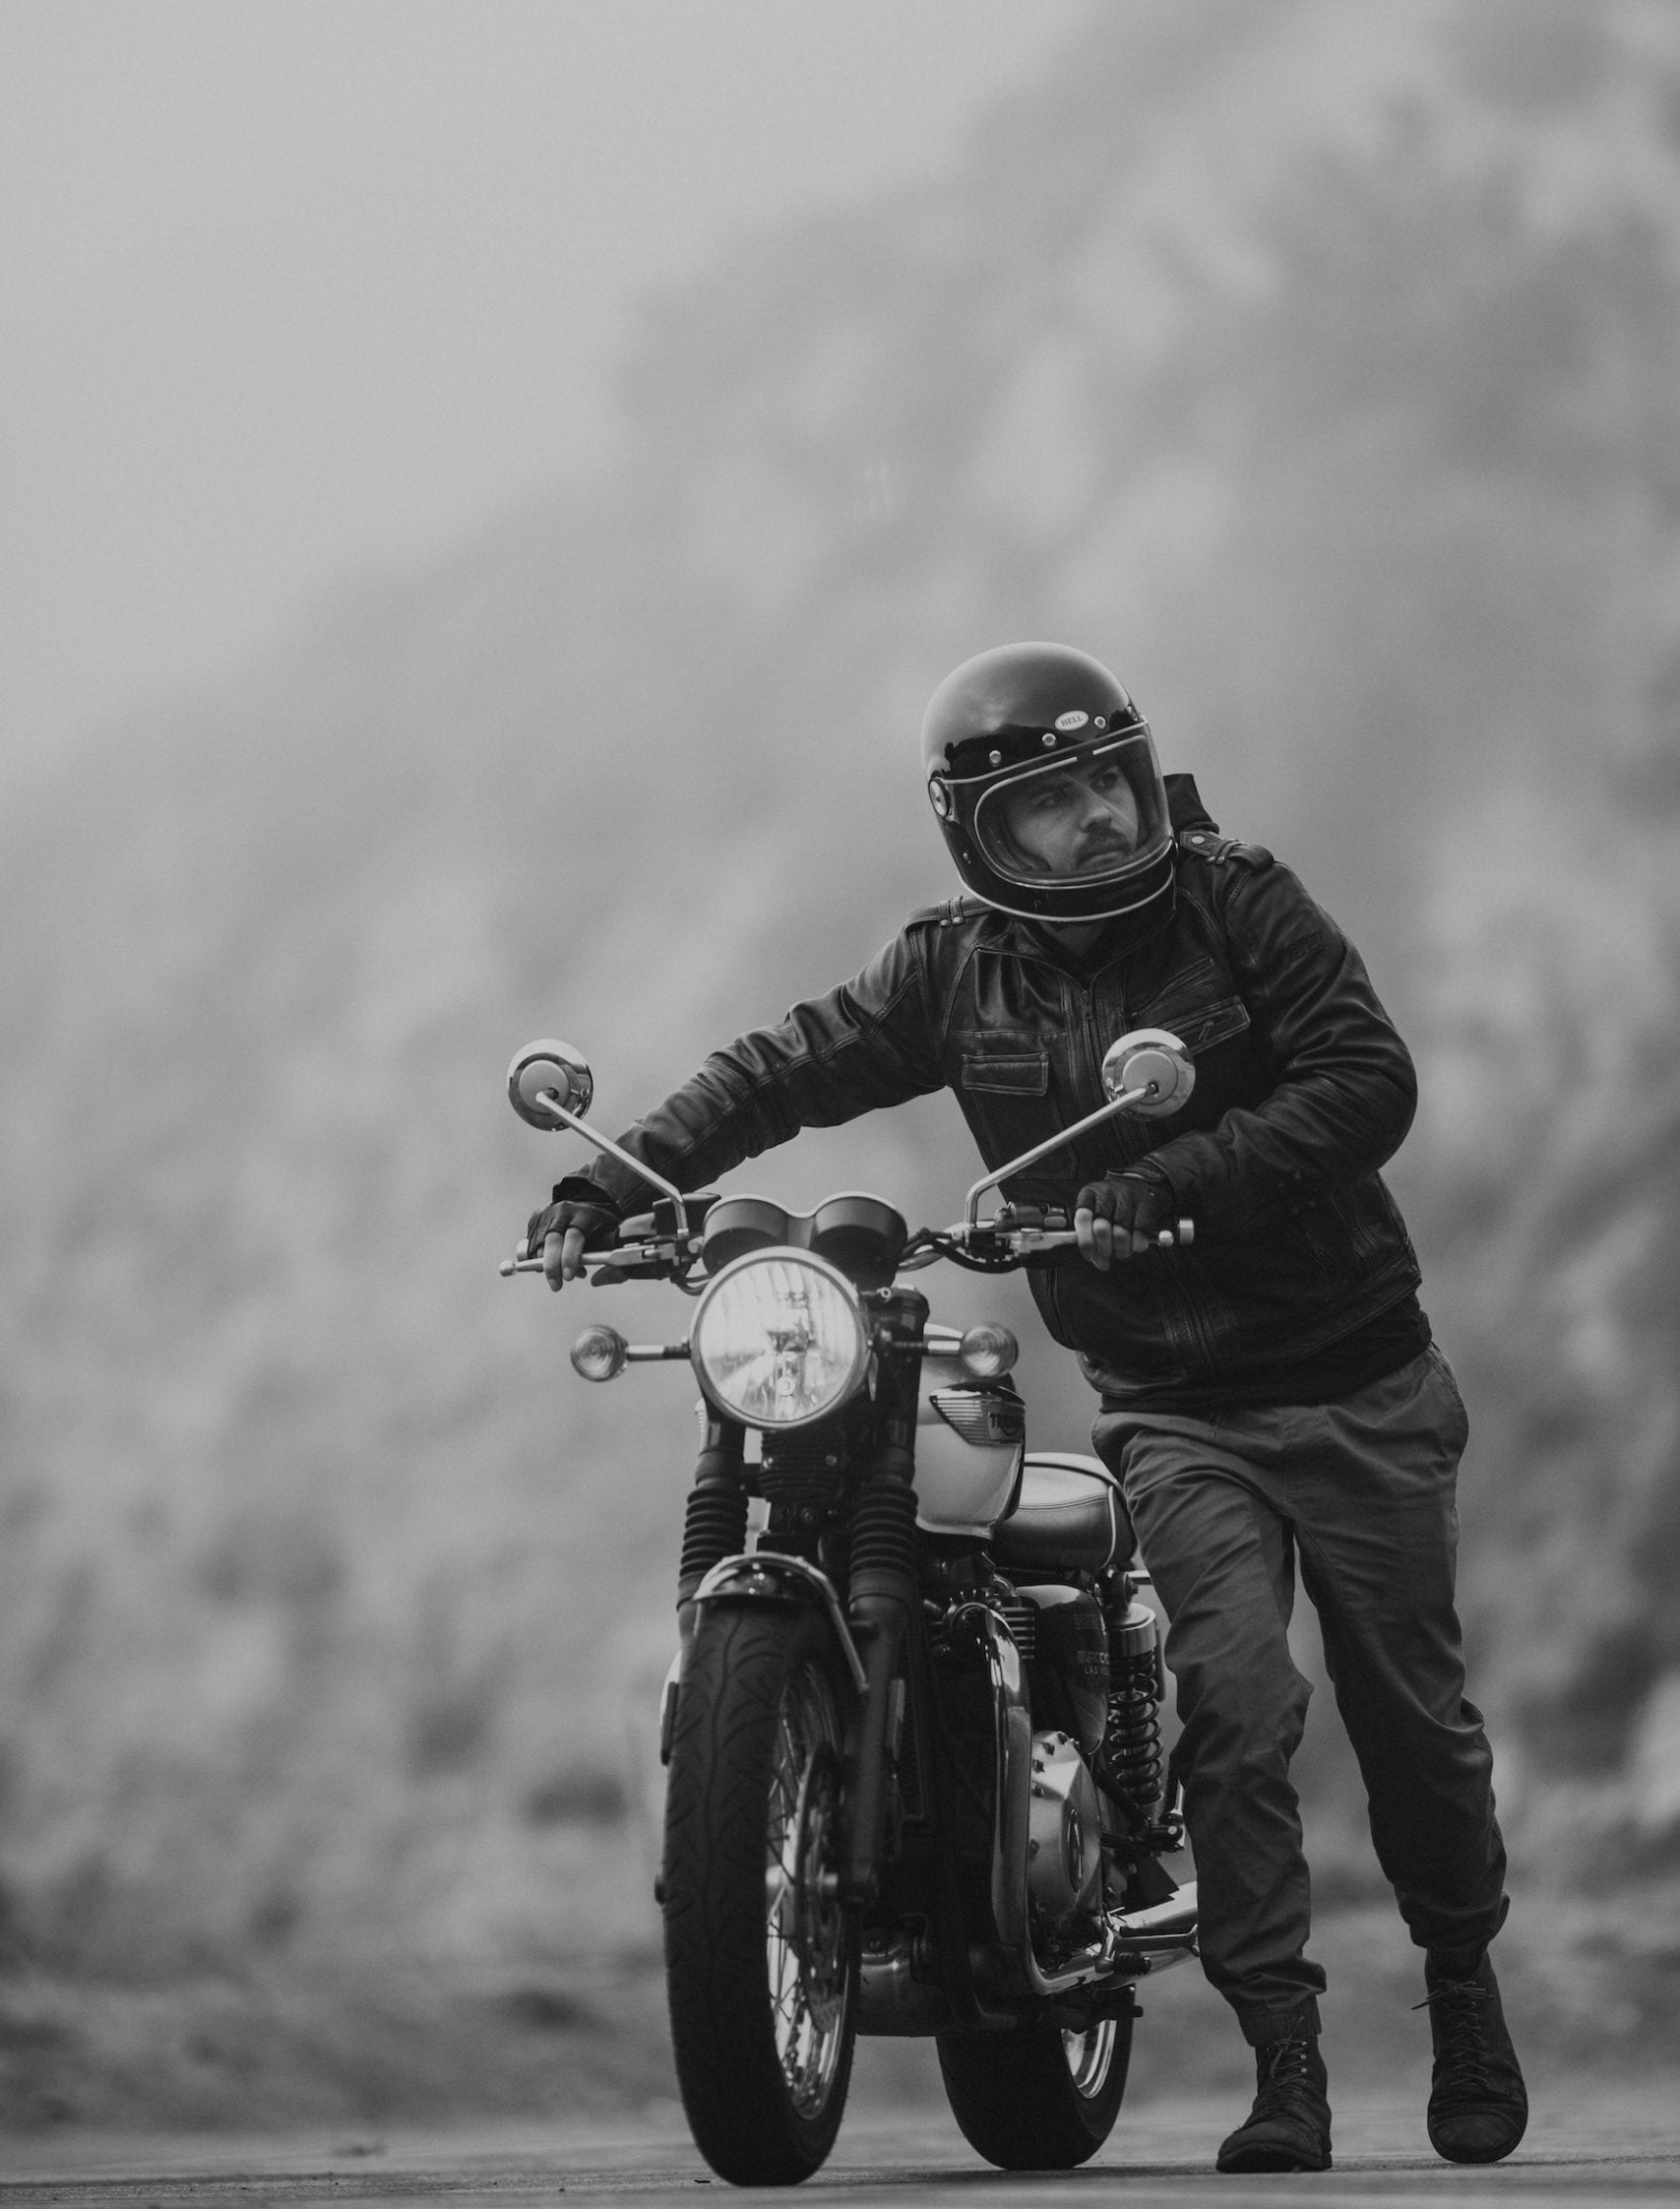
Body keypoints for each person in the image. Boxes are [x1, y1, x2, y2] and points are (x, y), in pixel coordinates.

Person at [529, 641, 1525, 2177]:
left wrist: (1171, 1180)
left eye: (1109, 784)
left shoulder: (1238, 898)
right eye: (1051, 805)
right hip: (1174, 1404)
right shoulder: (949, 967)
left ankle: (1461, 1985)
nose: (1097, 824)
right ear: (979, 834)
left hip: (1354, 1376)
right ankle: (1289, 2063)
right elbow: (784, 1064)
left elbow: (1363, 1079)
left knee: (1412, 1723)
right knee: (1237, 1710)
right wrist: (618, 1176)